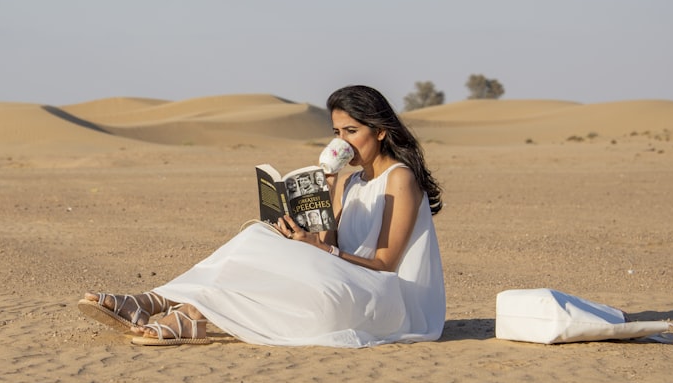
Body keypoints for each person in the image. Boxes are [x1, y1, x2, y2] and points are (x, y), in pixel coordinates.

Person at [78, 85, 445, 348]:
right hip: (349, 280)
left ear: (380, 131)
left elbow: (383, 263)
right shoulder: (350, 182)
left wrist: (320, 250)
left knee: (265, 249)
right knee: (261, 236)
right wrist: (320, 198)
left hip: (386, 298)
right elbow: (330, 246)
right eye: (336, 133)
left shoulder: (400, 178)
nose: (342, 143)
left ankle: (164, 305)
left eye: (352, 131)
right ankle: (177, 307)